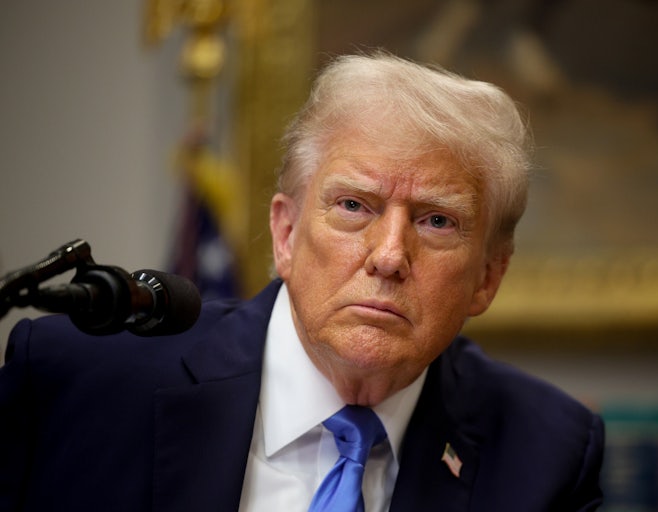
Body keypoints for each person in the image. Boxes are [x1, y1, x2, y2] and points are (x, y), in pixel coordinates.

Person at [0, 52, 604, 511]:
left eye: (437, 221)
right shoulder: (76, 384)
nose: (389, 256)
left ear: (488, 277)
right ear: (286, 234)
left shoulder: (546, 454)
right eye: (353, 206)